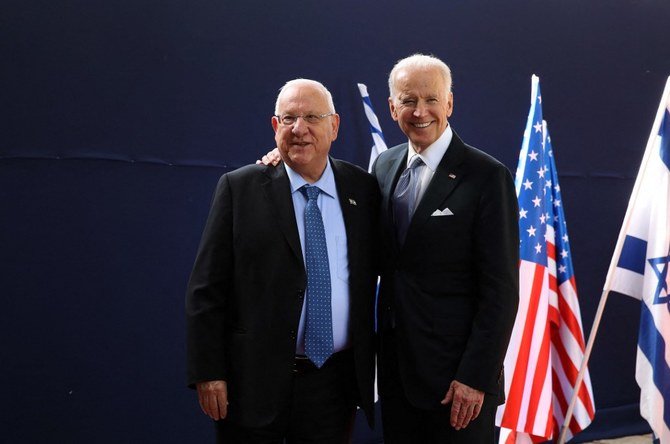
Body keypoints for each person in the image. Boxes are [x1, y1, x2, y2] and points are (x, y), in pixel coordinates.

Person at [186, 78, 380, 443]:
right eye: (288, 119)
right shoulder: (239, 188)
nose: (299, 129)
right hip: (252, 384)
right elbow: (206, 289)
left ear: (334, 125)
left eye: (311, 117)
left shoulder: (363, 189)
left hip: (333, 386)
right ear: (275, 127)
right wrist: (208, 371)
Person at [371, 54, 519, 443]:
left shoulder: (487, 176)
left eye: (431, 99)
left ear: (449, 103)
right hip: (397, 376)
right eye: (408, 100)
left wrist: (475, 377)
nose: (420, 111)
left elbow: (500, 290)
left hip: (458, 384)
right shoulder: (383, 166)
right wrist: (278, 161)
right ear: (392, 108)